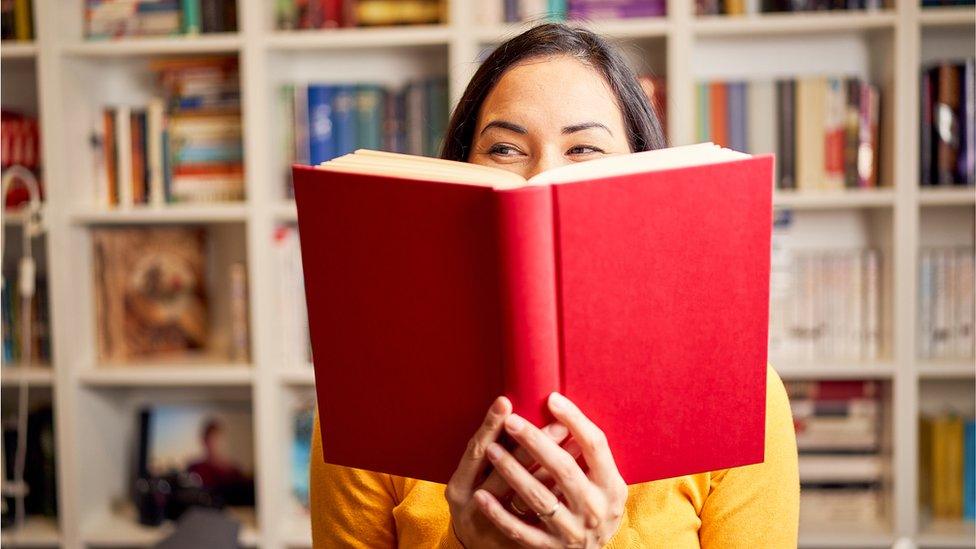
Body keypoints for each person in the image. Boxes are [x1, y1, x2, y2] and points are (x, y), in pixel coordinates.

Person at [310, 22, 799, 548]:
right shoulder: (370, 404)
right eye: (503, 149)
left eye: (584, 149)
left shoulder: (739, 398)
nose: (540, 176)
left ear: (644, 175)